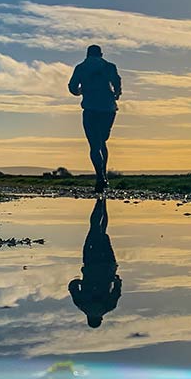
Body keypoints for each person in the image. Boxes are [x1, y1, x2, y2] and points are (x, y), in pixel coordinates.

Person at [68, 44, 122, 193]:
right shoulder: (110, 66)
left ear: (87, 54)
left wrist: (80, 91)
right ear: (101, 54)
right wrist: (117, 94)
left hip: (91, 109)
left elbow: (72, 87)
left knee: (94, 145)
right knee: (102, 141)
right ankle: (103, 176)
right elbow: (117, 83)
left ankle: (101, 177)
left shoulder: (81, 67)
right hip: (108, 109)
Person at [68, 198, 121, 328]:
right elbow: (72, 286)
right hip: (90, 266)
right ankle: (100, 201)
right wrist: (80, 281)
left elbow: (117, 290)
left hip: (108, 266)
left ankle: (103, 201)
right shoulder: (82, 305)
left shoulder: (108, 307)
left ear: (100, 319)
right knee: (94, 230)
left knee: (103, 233)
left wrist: (116, 279)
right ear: (88, 319)